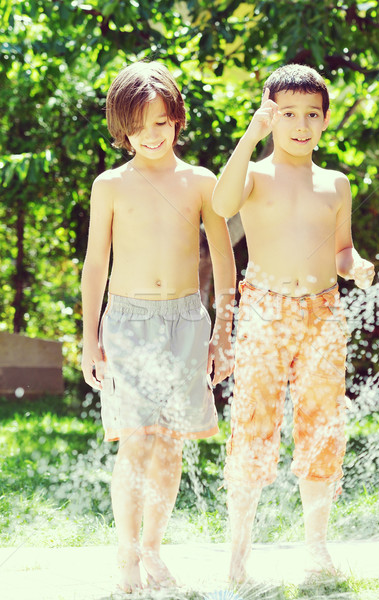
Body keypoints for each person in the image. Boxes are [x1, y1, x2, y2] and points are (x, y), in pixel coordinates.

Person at [212, 63, 375, 583]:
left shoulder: (335, 183)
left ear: (325, 120)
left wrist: (358, 265)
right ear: (270, 115)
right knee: (254, 426)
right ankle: (238, 552)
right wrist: (251, 134)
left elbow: (342, 250)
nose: (300, 124)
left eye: (311, 114)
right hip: (265, 310)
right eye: (287, 114)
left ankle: (316, 547)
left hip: (324, 313)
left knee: (322, 428)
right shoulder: (256, 175)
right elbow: (220, 202)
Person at [81, 61, 235, 593]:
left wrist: (223, 332)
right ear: (122, 127)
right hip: (126, 322)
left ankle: (152, 550)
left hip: (187, 320)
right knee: (136, 439)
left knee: (169, 443)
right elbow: (95, 265)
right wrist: (89, 338)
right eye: (141, 124)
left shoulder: (200, 182)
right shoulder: (110, 186)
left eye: (163, 122)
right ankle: (125, 552)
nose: (154, 134)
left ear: (177, 122)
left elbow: (224, 259)